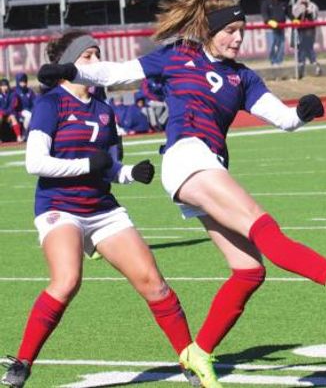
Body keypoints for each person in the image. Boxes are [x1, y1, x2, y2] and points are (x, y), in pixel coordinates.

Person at [38, 0, 326, 388]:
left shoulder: (243, 77)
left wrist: (302, 114)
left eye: (242, 31)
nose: (238, 38)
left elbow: (283, 119)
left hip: (208, 165)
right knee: (259, 221)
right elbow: (114, 74)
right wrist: (69, 73)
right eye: (231, 30)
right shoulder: (178, 55)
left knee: (249, 271)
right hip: (185, 156)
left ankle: (198, 352)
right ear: (210, 30)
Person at [1, 31, 195, 388]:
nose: (97, 62)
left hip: (102, 208)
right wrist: (85, 166)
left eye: (98, 56)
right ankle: (22, 363)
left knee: (154, 283)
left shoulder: (104, 110)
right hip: (60, 207)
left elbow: (107, 166)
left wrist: (130, 174)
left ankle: (190, 362)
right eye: (89, 56)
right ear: (70, 65)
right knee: (67, 281)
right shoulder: (50, 104)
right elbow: (35, 163)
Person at [292, 0, 322, 79]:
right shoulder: (296, 6)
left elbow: (315, 17)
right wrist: (301, 12)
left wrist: (309, 12)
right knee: (301, 48)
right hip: (300, 30)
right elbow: (294, 16)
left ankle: (314, 64)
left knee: (308, 47)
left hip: (309, 30)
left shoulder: (312, 6)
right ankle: (301, 65)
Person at [260, 0, 289, 66]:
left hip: (281, 27)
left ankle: (279, 61)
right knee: (272, 44)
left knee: (281, 45)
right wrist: (268, 21)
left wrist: (294, 19)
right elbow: (264, 13)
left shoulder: (282, 3)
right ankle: (273, 61)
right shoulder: (266, 3)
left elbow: (288, 12)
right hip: (271, 28)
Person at [0, 78, 23, 142]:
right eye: (2, 86)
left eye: (5, 85)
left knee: (13, 117)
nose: (4, 87)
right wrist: (2, 113)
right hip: (1, 114)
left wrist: (6, 113)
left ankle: (19, 137)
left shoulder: (13, 94)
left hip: (10, 113)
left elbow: (12, 106)